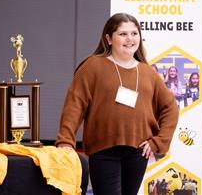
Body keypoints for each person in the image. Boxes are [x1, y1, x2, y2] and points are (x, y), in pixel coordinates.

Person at [56, 13, 179, 195]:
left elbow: (170, 107)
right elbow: (75, 104)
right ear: (109, 38)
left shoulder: (148, 72)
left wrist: (159, 141)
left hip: (138, 153)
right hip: (103, 150)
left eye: (134, 33)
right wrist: (65, 141)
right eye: (122, 34)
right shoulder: (92, 66)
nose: (130, 39)